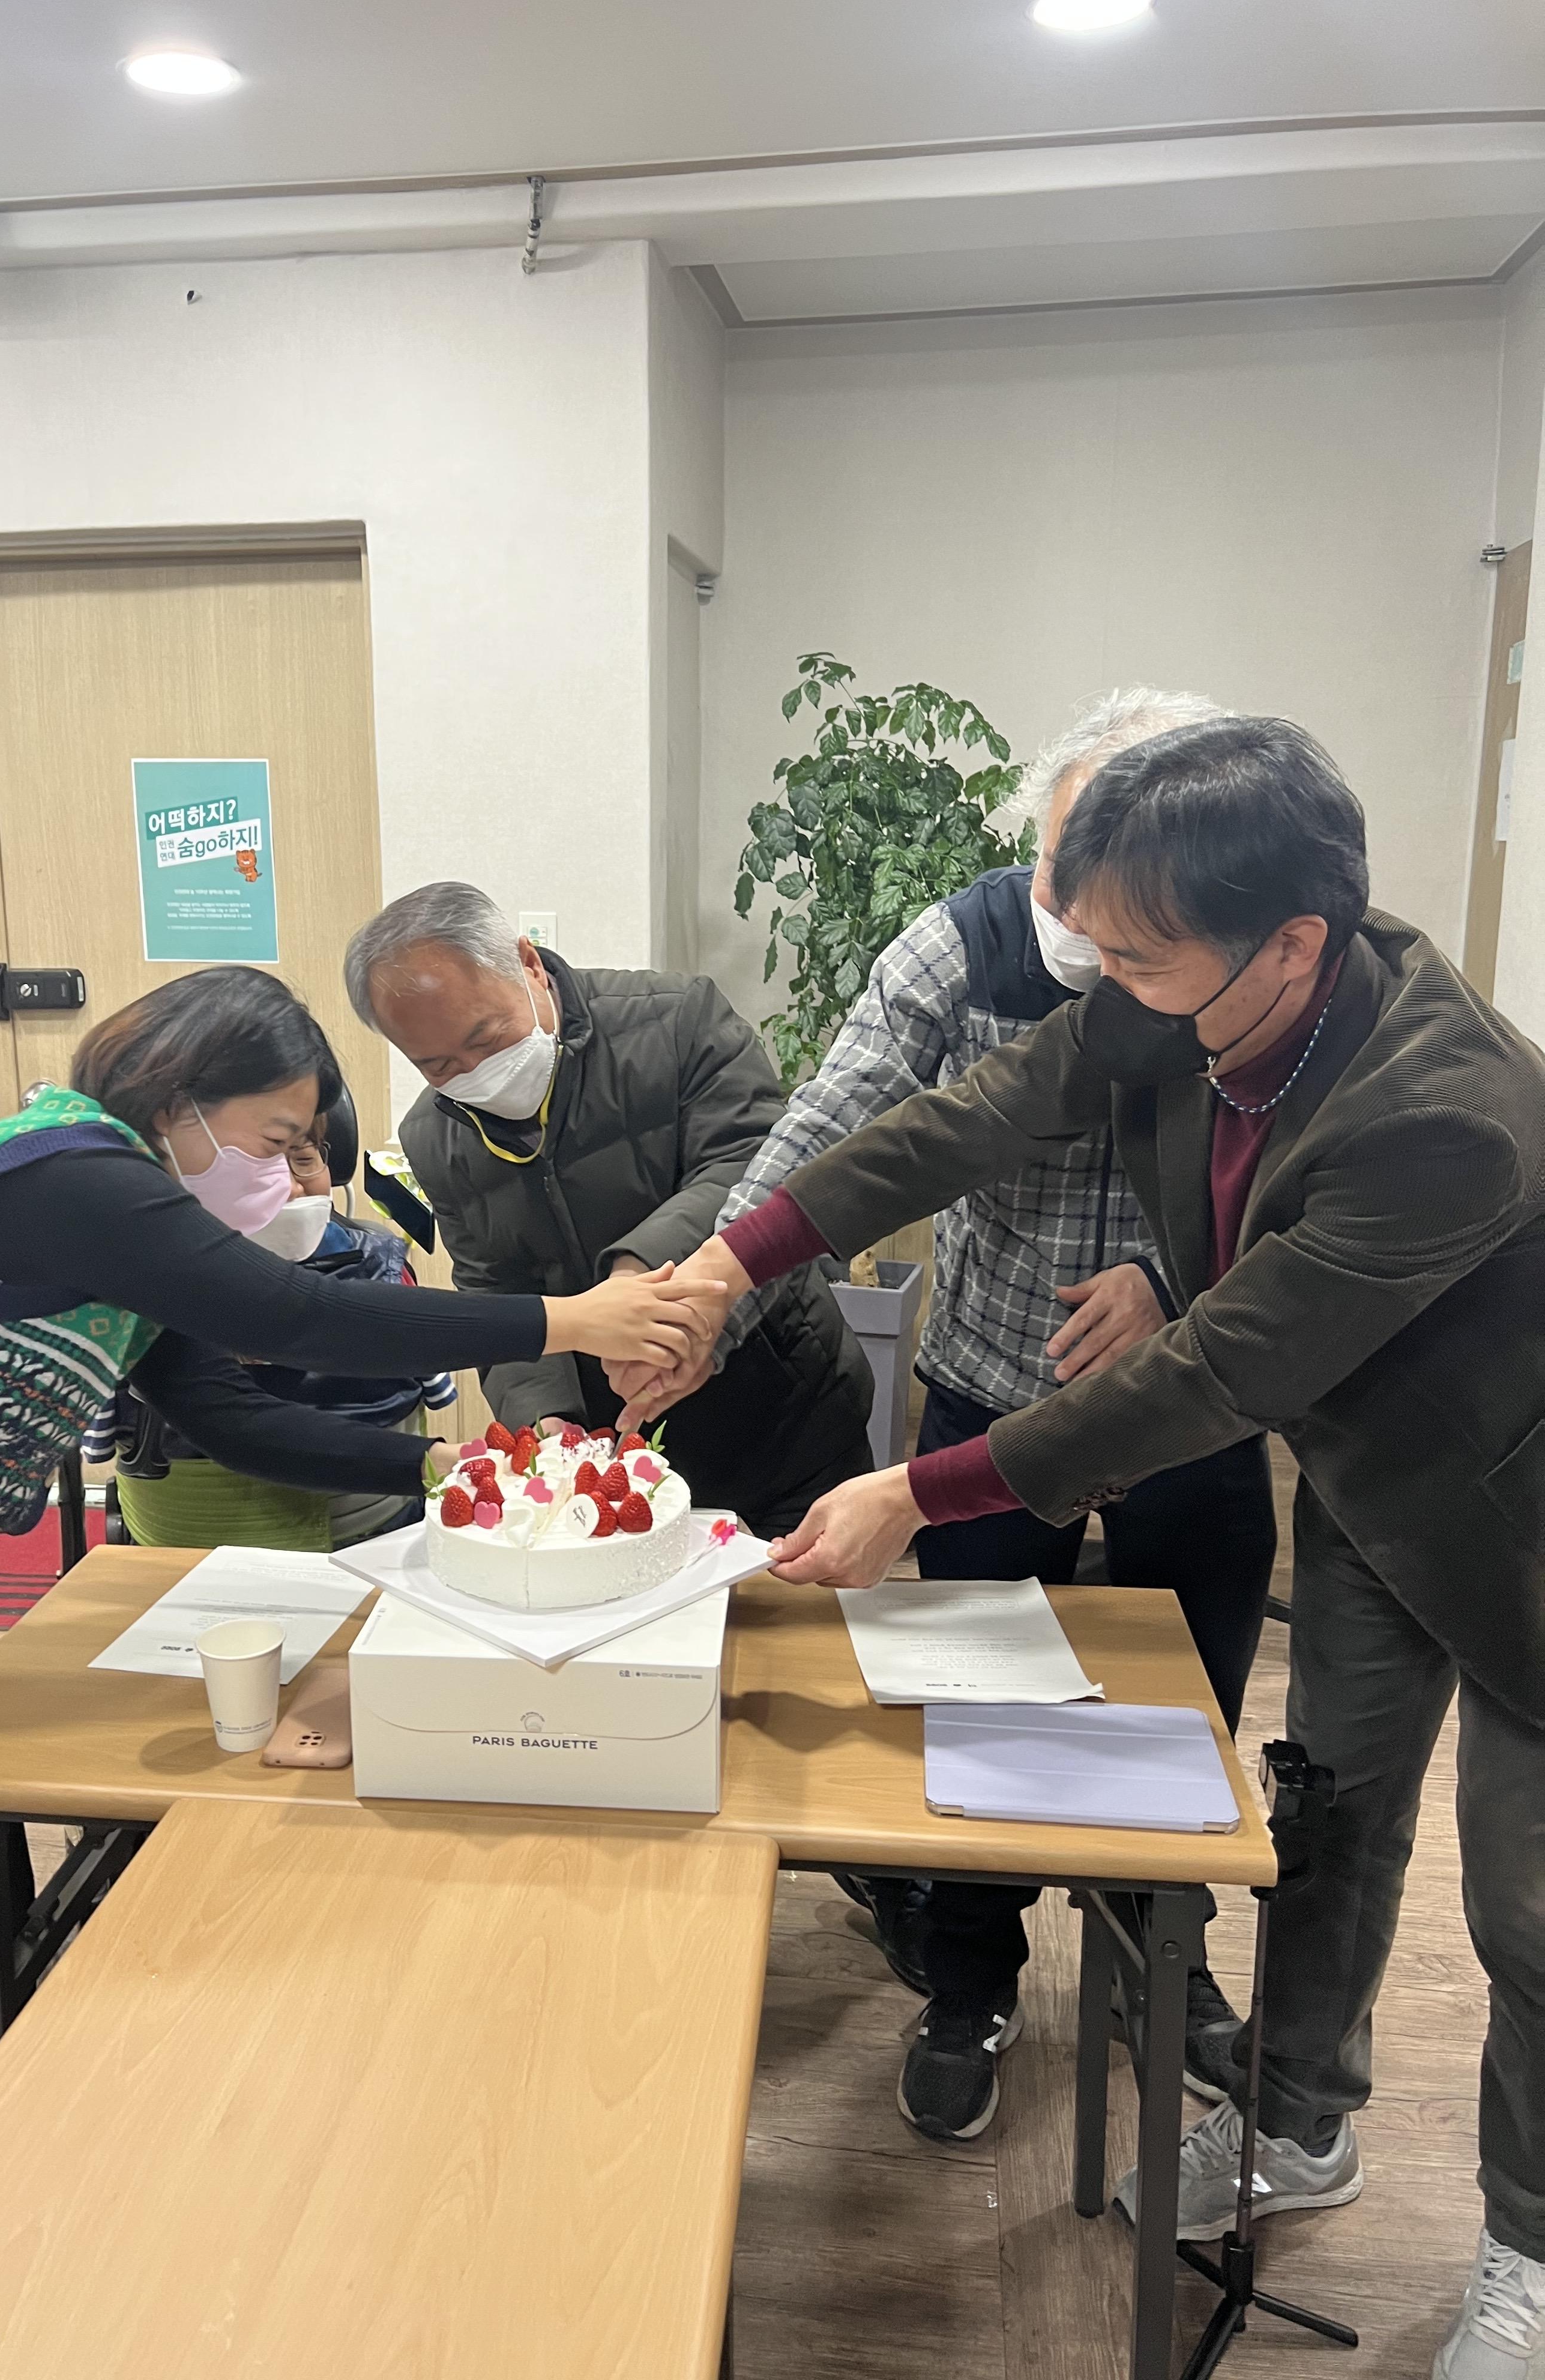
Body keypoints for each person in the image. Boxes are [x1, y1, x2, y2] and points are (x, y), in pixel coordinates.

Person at [639, 718, 1545, 2380]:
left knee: (1529, 1905)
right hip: (1368, 1485)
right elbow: (964, 1120)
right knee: (1330, 1817)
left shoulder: (1446, 1114)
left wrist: (920, 1492)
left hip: (1517, 1520)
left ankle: (1533, 2246)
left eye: (1136, 955)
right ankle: (1297, 2120)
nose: (1105, 983)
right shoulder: (1191, 995)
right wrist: (731, 1261)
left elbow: (1217, 1372)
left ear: (1293, 944)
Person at [0, 965, 718, 2136]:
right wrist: (570, 1320)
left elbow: (230, 1414)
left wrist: (435, 1471)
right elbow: (296, 1317)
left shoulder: (123, 1234)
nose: (290, 1171)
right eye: (276, 1138)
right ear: (178, 1099)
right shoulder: (65, 1172)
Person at [699, 688, 1277, 2146]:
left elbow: (1302, 1191)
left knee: (1179, 1709)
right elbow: (842, 1129)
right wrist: (713, 1288)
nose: (1088, 926)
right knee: (972, 1711)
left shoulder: (1251, 970)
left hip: (1190, 1402)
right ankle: (969, 1978)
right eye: (1064, 880)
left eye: (1132, 912)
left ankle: (1163, 1962)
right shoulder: (959, 950)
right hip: (989, 1390)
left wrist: (1176, 1278)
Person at [342, 883, 874, 1538]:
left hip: (786, 1413)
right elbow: (496, 1288)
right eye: (438, 1065)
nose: (475, 1071)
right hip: (615, 1455)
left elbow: (755, 1164)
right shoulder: (434, 1137)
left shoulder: (677, 1020)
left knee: (799, 1596)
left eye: (487, 1037)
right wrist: (547, 1423)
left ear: (528, 964)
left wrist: (635, 1277)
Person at [112, 1119, 450, 1551]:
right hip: (189, 1527)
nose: (289, 1188)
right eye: (254, 1169)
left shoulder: (381, 1266)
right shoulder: (133, 1275)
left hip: (363, 1522)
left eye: (304, 1160)